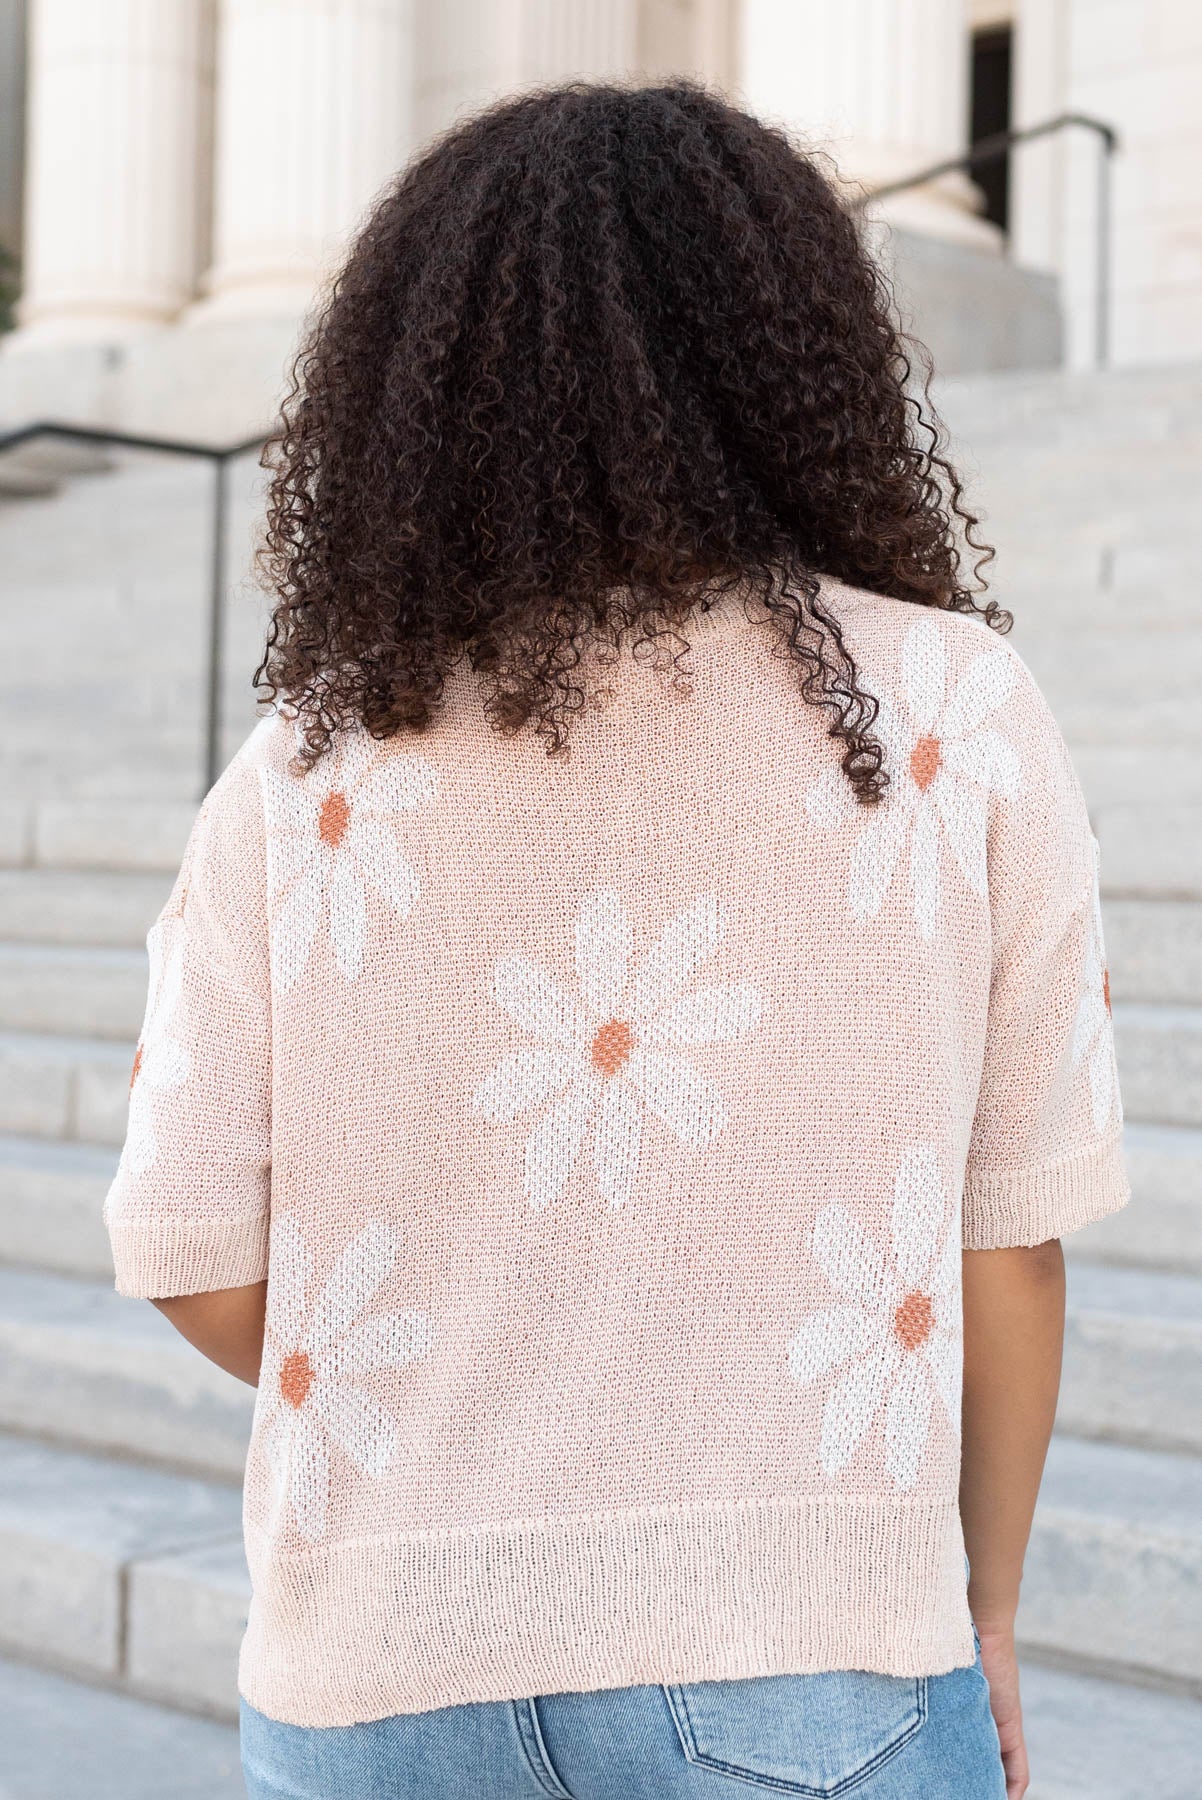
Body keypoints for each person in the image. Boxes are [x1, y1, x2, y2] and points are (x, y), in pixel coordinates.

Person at [104, 80, 1128, 1800]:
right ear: (794, 355)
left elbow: (195, 1253)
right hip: (813, 1662)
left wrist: (454, 1394)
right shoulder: (951, 710)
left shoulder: (300, 773)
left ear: (413, 380)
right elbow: (1011, 1243)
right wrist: (988, 1610)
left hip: (373, 1681)